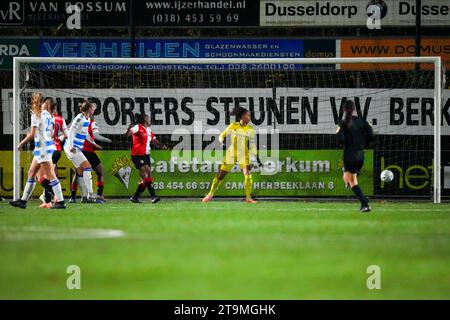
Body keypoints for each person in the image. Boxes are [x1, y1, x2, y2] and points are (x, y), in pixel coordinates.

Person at [9, 93, 66, 209]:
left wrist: (21, 143)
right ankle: (23, 201)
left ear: (36, 102)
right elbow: (45, 132)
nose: (32, 102)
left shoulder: (36, 114)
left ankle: (61, 201)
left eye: (33, 100)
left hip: (43, 149)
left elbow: (33, 133)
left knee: (51, 175)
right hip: (43, 147)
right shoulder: (48, 115)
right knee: (31, 173)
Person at [202, 106, 258, 203]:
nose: (249, 117)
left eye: (250, 116)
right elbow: (221, 136)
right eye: (247, 115)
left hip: (244, 155)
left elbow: (252, 144)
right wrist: (222, 142)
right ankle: (210, 194)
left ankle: (248, 198)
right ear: (241, 116)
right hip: (231, 154)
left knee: (248, 174)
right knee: (220, 176)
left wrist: (255, 155)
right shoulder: (233, 126)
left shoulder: (251, 129)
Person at [336, 100, 374, 212]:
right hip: (361, 154)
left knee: (349, 180)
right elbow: (371, 136)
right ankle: (363, 200)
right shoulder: (362, 121)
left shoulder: (343, 123)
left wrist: (339, 133)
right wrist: (362, 142)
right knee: (352, 178)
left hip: (350, 154)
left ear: (344, 110)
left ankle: (365, 203)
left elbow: (341, 140)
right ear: (354, 110)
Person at [69, 112, 111, 203]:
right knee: (100, 172)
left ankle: (73, 197)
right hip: (88, 152)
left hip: (79, 150)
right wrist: (108, 140)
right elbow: (95, 135)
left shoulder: (81, 123)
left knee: (77, 174)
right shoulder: (92, 123)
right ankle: (97, 196)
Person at [126, 113, 166, 204]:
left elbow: (154, 140)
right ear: (144, 120)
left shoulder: (148, 130)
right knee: (148, 173)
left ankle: (135, 197)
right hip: (137, 155)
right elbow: (127, 135)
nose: (150, 120)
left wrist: (161, 145)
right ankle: (153, 197)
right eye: (148, 118)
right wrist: (129, 128)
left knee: (145, 180)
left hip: (146, 155)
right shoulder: (137, 127)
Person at [64, 100, 98, 203]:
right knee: (88, 167)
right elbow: (70, 132)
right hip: (72, 148)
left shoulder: (87, 119)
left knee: (80, 171)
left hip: (75, 148)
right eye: (92, 108)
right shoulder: (79, 118)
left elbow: (85, 134)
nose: (93, 110)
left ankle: (84, 197)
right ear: (88, 109)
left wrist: (93, 142)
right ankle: (91, 195)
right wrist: (72, 146)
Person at [38, 98, 67, 208]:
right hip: (57, 149)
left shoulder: (45, 118)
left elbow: (46, 135)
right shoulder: (59, 119)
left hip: (48, 149)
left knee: (42, 177)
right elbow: (66, 135)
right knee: (50, 176)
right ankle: (49, 201)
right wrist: (59, 139)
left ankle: (57, 198)